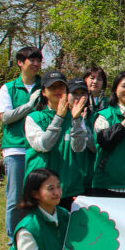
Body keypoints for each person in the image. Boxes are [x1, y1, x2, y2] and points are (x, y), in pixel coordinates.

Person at [0, 46, 43, 242]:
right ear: (20, 63)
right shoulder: (8, 88)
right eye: (32, 60)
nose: (36, 64)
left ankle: (38, 235)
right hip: (15, 148)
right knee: (15, 198)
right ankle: (13, 240)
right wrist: (29, 105)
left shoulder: (45, 85)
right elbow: (5, 117)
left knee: (39, 195)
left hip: (39, 147)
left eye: (39, 60)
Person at [24, 70, 91, 209]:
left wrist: (76, 120)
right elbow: (44, 145)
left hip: (70, 187)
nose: (57, 90)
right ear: (43, 92)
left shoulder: (74, 115)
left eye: (61, 86)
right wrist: (59, 118)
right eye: (52, 87)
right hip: (42, 189)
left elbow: (79, 147)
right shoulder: (34, 118)